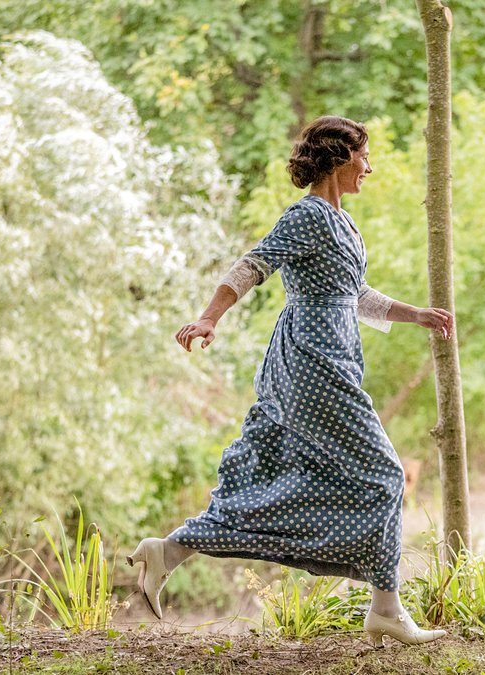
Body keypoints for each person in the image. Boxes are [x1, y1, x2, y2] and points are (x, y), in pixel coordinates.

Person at [126, 115, 454, 647]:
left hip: (335, 357)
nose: (369, 166)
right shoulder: (305, 217)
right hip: (310, 360)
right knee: (387, 475)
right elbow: (253, 265)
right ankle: (386, 609)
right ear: (341, 157)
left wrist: (417, 315)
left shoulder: (341, 221)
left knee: (309, 478)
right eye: (364, 156)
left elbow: (356, 294)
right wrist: (210, 317)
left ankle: (171, 550)